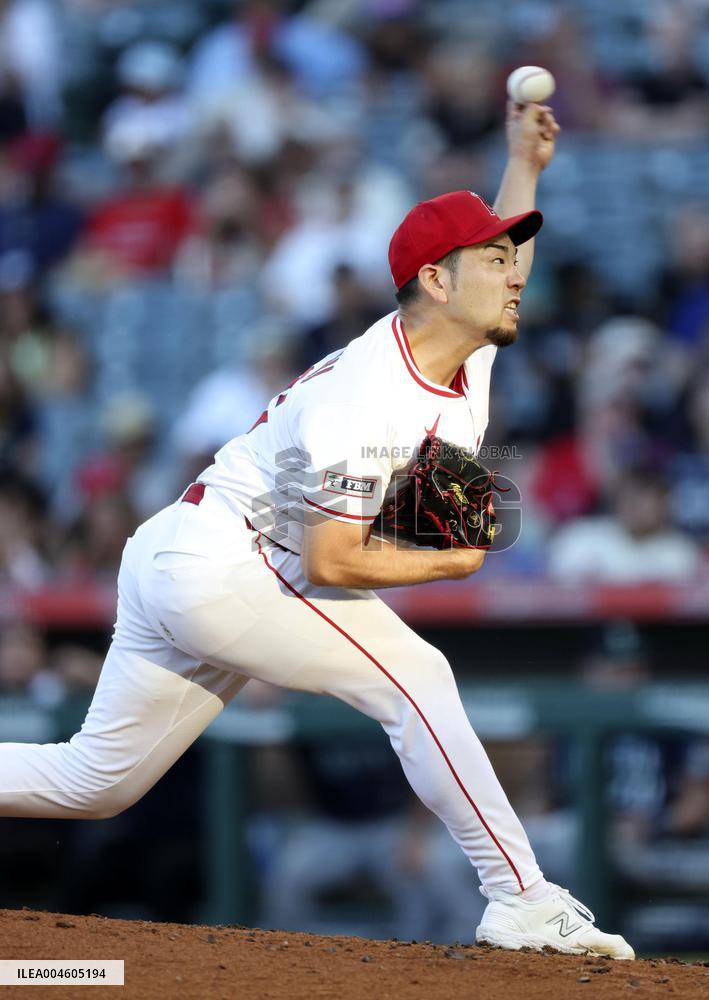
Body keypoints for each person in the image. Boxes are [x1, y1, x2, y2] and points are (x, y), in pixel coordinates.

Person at [0, 101, 633, 959]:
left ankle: (518, 896)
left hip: (193, 551)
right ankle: (520, 896)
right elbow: (333, 559)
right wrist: (449, 561)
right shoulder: (367, 397)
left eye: (507, 256)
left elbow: (506, 259)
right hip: (226, 565)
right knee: (417, 675)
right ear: (437, 282)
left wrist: (523, 164)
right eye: (492, 261)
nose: (514, 274)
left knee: (93, 780)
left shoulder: (462, 342)